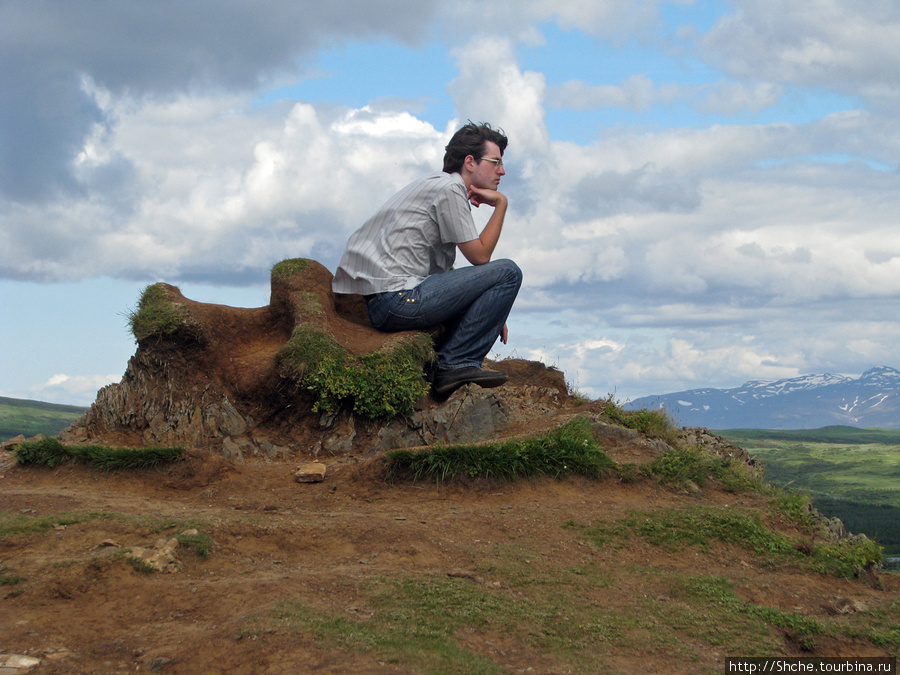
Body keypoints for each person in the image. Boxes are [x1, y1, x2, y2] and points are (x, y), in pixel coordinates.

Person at [332, 122, 522, 398]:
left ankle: (452, 364)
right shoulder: (450, 189)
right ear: (470, 162)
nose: (502, 171)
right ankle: (455, 364)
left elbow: (448, 275)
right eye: (495, 162)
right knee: (509, 272)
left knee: (498, 280)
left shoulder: (436, 186)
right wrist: (501, 205)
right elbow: (481, 256)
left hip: (389, 300)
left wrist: (491, 305)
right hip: (398, 300)